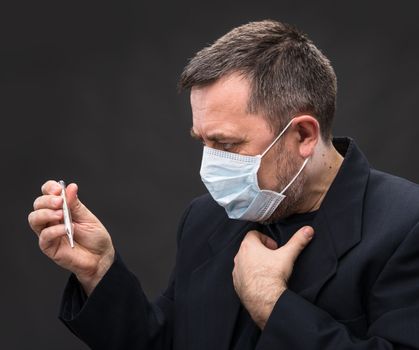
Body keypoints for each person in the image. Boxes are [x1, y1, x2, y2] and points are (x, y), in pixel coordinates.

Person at [28, 20, 419, 349]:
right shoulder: (205, 218)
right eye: (203, 142)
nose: (209, 166)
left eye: (227, 144)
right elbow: (164, 341)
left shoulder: (406, 225)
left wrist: (271, 303)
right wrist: (99, 272)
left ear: (302, 135)